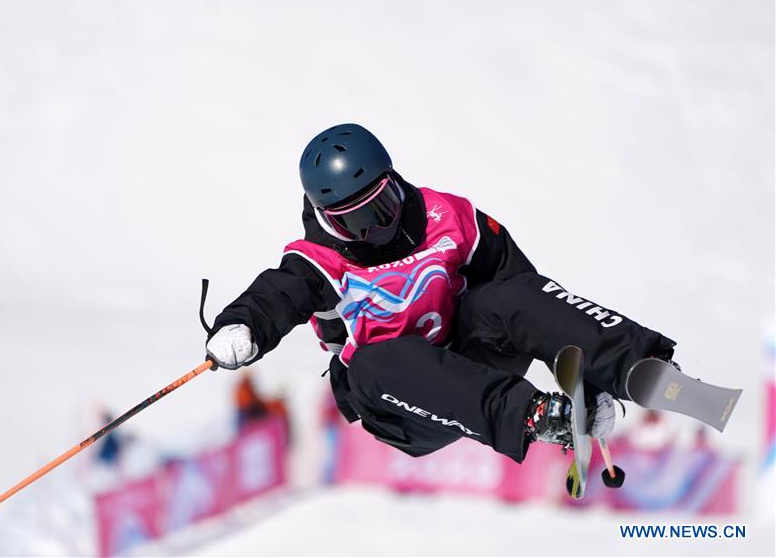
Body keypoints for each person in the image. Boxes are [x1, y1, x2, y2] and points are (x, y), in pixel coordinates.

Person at [204, 123, 676, 463]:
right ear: (327, 218)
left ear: (394, 183)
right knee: (371, 362)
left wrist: (578, 371)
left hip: (470, 359)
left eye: (383, 207)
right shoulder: (319, 262)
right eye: (355, 221)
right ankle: (536, 417)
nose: (377, 229)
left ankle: (635, 364)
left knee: (503, 297)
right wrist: (239, 325)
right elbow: (274, 295)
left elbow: (529, 297)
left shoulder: (446, 217)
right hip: (402, 404)